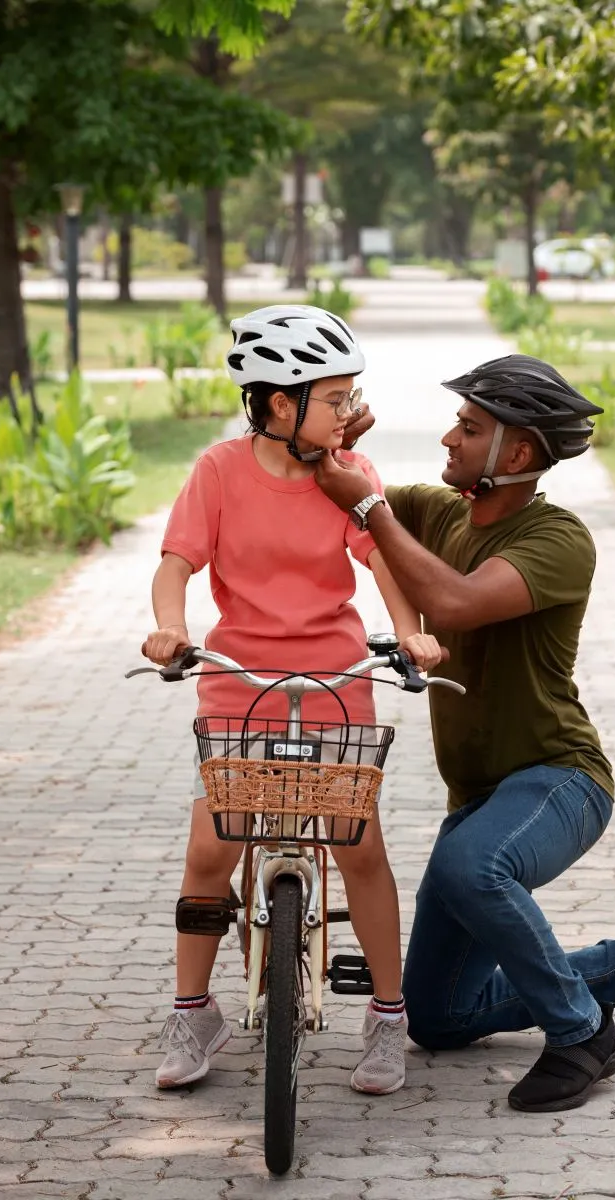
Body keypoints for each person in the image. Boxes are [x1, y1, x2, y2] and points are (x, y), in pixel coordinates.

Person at [315, 353, 615, 1113]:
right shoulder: (439, 512)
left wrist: (370, 510)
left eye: (468, 428)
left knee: (471, 866)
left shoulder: (559, 539)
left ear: (518, 453)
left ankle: (582, 1036)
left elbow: (455, 603)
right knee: (438, 1015)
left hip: (560, 779)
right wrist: (326, 451)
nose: (447, 440)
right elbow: (338, 500)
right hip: (480, 800)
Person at [143, 304, 442, 1097]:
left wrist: (410, 635)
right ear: (281, 405)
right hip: (237, 682)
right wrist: (170, 629)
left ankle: (386, 1018)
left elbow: (383, 566)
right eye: (337, 398)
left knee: (359, 846)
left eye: (351, 397)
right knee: (211, 849)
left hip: (338, 684)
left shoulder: (348, 473)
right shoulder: (217, 471)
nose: (352, 412)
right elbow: (177, 563)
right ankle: (192, 1009)